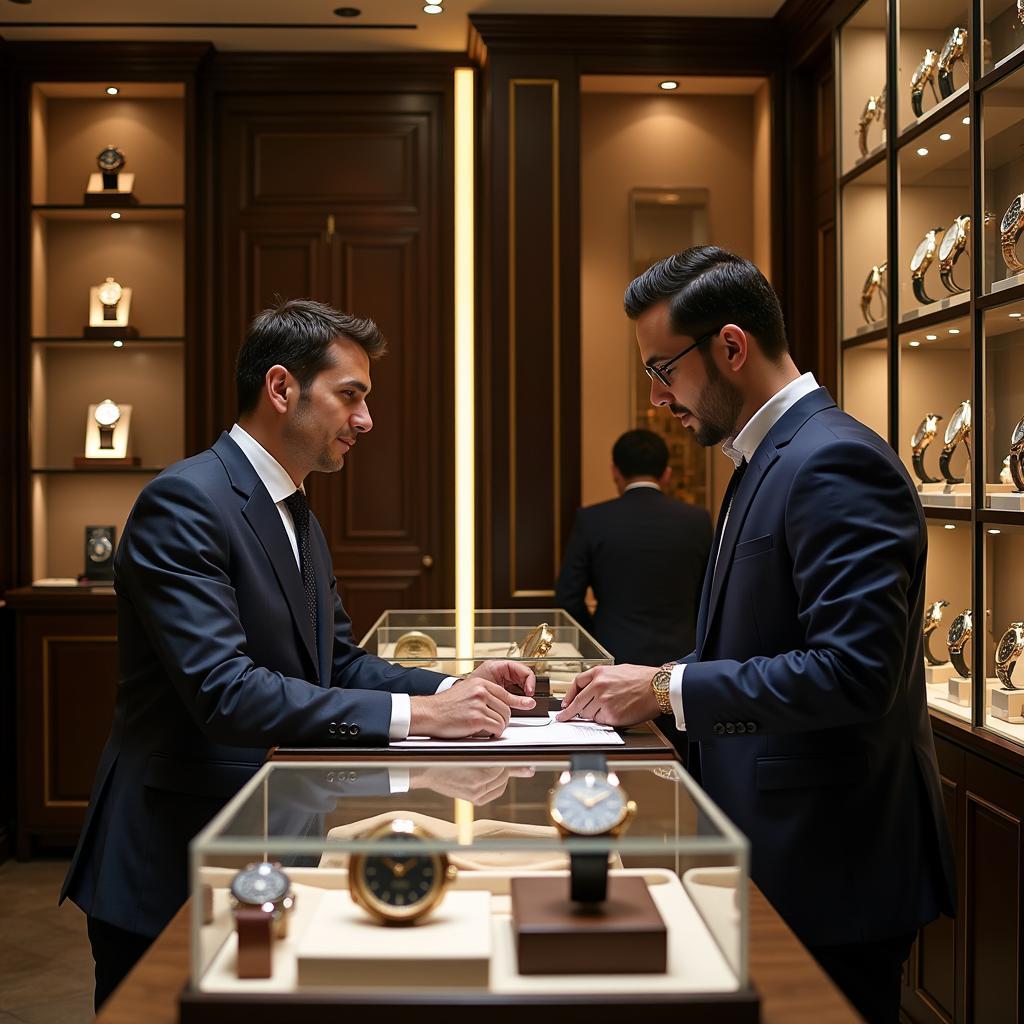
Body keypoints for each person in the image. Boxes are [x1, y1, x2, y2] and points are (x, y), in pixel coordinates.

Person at [60, 299, 536, 1010]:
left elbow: (335, 665)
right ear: (281, 389)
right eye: (352, 396)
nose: (366, 420)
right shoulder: (185, 502)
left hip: (264, 845)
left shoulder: (296, 511)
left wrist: (457, 685)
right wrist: (423, 713)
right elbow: (227, 692)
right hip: (176, 856)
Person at [556, 247, 955, 1023]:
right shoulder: (764, 457)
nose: (655, 396)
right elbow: (764, 638)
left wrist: (666, 687)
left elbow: (852, 671)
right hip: (780, 845)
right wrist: (660, 679)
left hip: (830, 859)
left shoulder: (833, 460)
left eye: (664, 369)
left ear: (730, 347)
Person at [555, 428, 711, 667]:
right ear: (666, 474)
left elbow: (568, 596)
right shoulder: (697, 521)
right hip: (681, 659)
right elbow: (709, 595)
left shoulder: (592, 520)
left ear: (615, 472)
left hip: (612, 654)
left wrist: (594, 638)